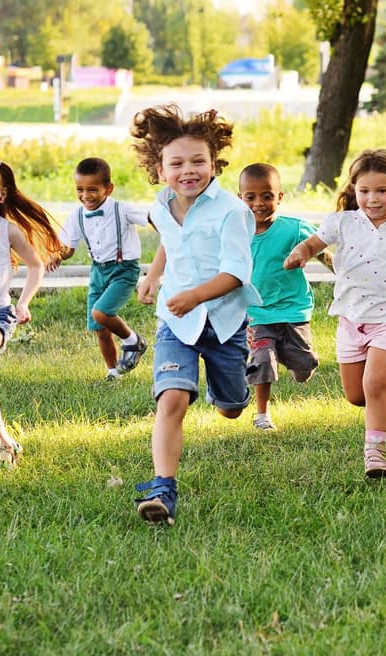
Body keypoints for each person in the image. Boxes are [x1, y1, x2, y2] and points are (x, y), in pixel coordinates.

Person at [131, 105, 262, 525]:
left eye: (198, 161)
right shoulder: (162, 203)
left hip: (223, 321)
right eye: (177, 163)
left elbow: (236, 274)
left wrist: (194, 296)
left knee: (231, 408)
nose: (188, 170)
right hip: (176, 321)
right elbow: (172, 239)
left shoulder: (232, 211)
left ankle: (230, 391)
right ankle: (163, 488)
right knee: (171, 399)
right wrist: (154, 275)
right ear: (159, 168)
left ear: (214, 163)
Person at [284, 148, 386, 478]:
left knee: (373, 380)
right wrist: (300, 253)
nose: (373, 199)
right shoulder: (343, 222)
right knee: (356, 395)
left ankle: (375, 454)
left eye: (382, 191)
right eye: (364, 191)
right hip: (351, 320)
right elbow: (313, 243)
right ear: (354, 190)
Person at [0, 157, 64, 466]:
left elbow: (35, 266)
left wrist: (24, 301)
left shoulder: (8, 230)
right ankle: (6, 445)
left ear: (1, 196)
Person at [239, 162, 328, 431]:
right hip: (258, 313)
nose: (259, 203)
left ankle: (296, 362)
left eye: (267, 196)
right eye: (250, 197)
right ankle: (262, 415)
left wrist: (344, 272)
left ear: (279, 197)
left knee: (304, 366)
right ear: (239, 198)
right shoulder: (234, 234)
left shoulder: (294, 228)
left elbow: (323, 252)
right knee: (262, 360)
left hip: (293, 309)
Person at [54, 158, 149, 380]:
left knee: (101, 312)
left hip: (123, 270)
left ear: (108, 188)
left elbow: (149, 217)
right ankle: (113, 372)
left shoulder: (121, 209)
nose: (85, 195)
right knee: (99, 327)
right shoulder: (77, 215)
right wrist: (57, 256)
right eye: (80, 189)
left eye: (92, 190)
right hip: (98, 271)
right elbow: (67, 247)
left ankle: (133, 341)